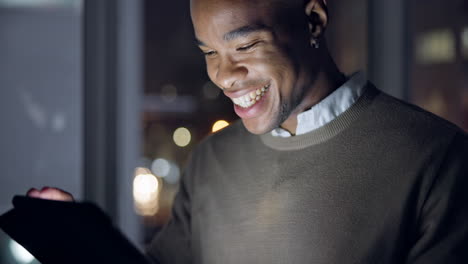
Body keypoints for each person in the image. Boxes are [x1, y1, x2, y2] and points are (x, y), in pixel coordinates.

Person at [28, 0, 468, 263]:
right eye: (209, 52)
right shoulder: (210, 162)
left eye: (245, 46)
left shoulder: (436, 159)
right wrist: (81, 242)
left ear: (313, 20)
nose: (223, 75)